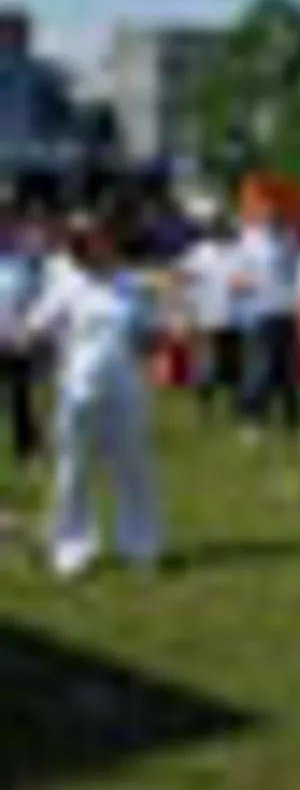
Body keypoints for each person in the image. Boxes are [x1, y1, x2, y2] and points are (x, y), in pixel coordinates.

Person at [24, 213, 162, 578]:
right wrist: (30, 342)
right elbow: (34, 329)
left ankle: (140, 547)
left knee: (134, 467)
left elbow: (147, 334)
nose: (96, 246)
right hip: (78, 390)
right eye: (85, 241)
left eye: (101, 238)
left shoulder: (128, 284)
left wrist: (157, 342)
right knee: (72, 470)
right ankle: (71, 550)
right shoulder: (65, 285)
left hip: (126, 389)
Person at [231, 197, 300, 435]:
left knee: (286, 368)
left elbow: (298, 275)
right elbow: (236, 280)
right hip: (260, 311)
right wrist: (253, 284)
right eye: (270, 216)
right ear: (261, 217)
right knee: (261, 366)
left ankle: (292, 417)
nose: (275, 220)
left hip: (287, 310)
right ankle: (252, 418)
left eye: (278, 216)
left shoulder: (290, 242)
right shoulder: (249, 242)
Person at [176, 214, 241, 420]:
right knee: (206, 365)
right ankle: (205, 407)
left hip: (233, 317)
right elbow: (181, 277)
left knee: (233, 365)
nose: (220, 231)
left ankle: (235, 408)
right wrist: (185, 309)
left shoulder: (238, 252)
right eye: (217, 227)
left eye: (223, 227)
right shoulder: (199, 253)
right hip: (206, 316)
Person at [0, 203, 47, 466]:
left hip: (16, 341)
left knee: (21, 399)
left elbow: (35, 301)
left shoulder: (24, 264)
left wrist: (31, 334)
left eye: (6, 221)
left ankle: (27, 451)